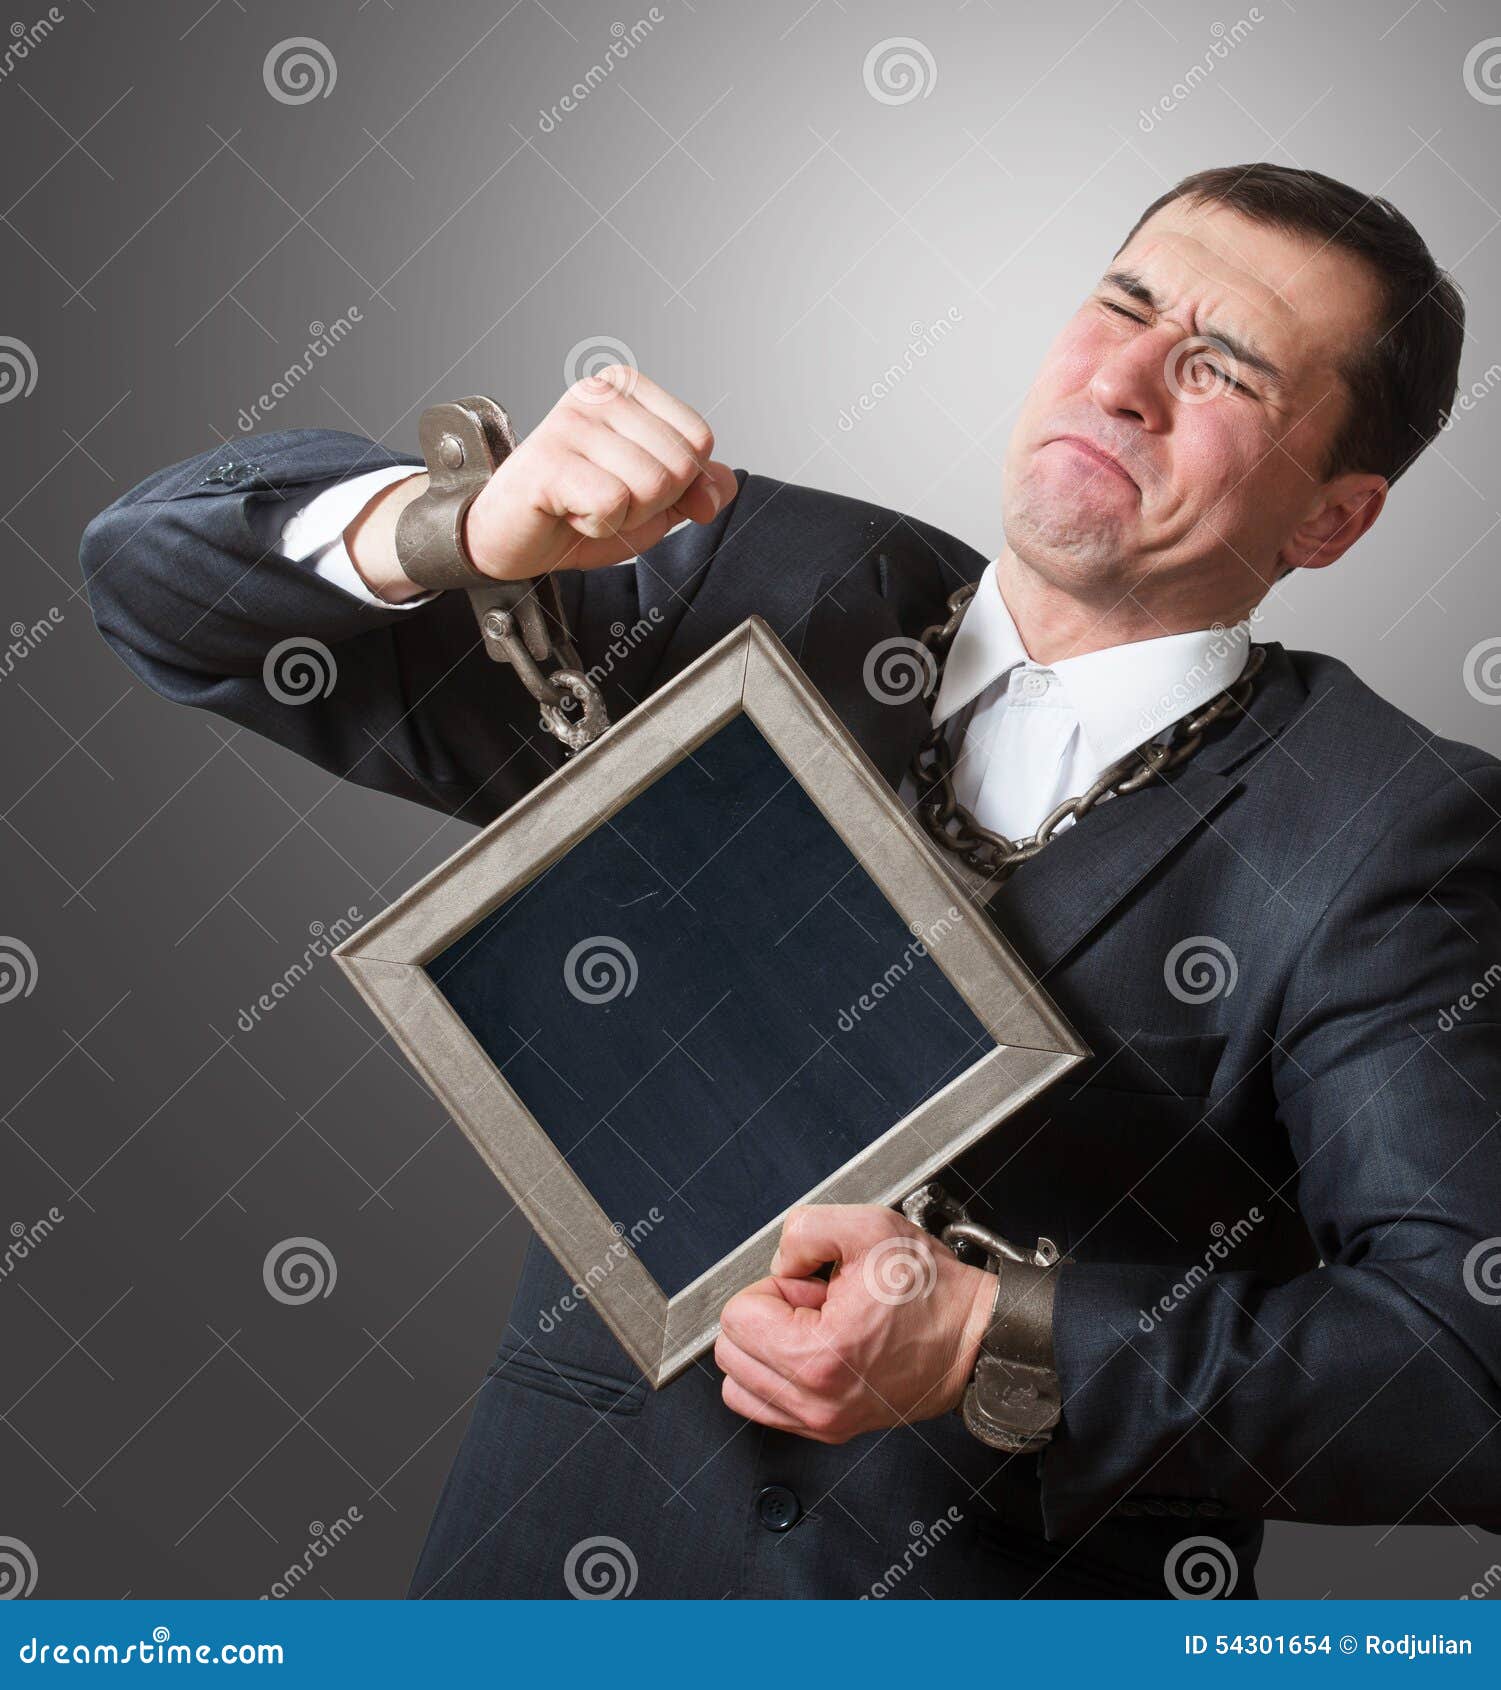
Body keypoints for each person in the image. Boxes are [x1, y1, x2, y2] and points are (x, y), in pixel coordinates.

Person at [81, 163, 1501, 1600]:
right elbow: (155, 582)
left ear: (1330, 520)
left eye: (1222, 371)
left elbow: (1465, 1367)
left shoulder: (1391, 827)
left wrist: (996, 1337)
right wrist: (452, 530)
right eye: (1120, 306)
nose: (1123, 380)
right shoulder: (749, 573)